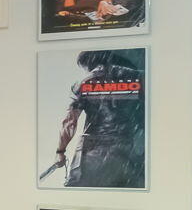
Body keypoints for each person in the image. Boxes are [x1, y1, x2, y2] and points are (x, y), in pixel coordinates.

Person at [51, 51, 143, 188]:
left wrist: (60, 152)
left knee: (79, 196)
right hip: (125, 149)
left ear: (87, 63)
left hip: (91, 151)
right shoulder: (137, 77)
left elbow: (69, 122)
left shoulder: (82, 83)